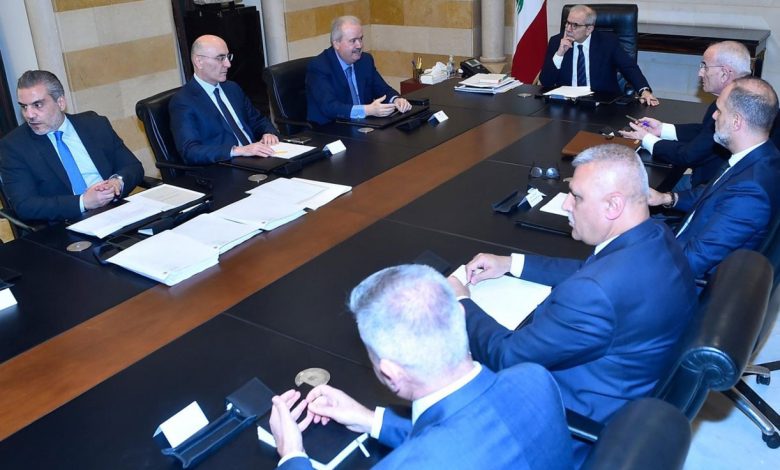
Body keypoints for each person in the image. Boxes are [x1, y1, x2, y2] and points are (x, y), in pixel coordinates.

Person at [449, 144, 696, 463]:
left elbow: (508, 356)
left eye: (576, 197)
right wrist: (511, 263)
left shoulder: (594, 293)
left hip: (578, 416)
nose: (567, 204)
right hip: (632, 386)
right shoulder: (654, 235)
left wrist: (461, 302)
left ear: (613, 205)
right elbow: (590, 269)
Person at [269, 264, 573, 469]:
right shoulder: (534, 378)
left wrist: (291, 453)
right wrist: (371, 420)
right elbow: (468, 436)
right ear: (460, 315)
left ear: (390, 374)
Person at [647, 76, 780, 279]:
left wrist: (639, 249)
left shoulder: (751, 193)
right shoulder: (763, 156)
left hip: (681, 275)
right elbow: (716, 192)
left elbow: (692, 261)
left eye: (720, 110)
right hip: (681, 242)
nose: (714, 116)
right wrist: (666, 198)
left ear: (736, 121)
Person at [620, 41, 777, 190]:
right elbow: (706, 131)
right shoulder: (745, 96)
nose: (700, 73)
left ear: (724, 73)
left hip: (708, 188)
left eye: (705, 67)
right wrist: (662, 129)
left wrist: (646, 139)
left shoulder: (734, 107)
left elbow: (689, 155)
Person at [0, 70, 143, 222]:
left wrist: (116, 183)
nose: (29, 115)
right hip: (65, 224)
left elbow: (133, 167)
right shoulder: (14, 146)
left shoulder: (94, 124)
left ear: (61, 102)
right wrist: (83, 202)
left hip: (117, 211)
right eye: (24, 107)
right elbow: (25, 206)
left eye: (37, 105)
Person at [169, 34, 279, 164]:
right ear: (199, 62)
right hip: (225, 165)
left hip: (257, 158)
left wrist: (268, 133)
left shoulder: (232, 88)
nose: (228, 64)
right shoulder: (183, 101)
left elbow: (258, 120)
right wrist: (237, 151)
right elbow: (190, 151)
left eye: (228, 57)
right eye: (220, 58)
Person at [539, 5, 659, 106]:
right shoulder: (557, 42)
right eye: (567, 23)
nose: (568, 29)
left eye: (575, 25)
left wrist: (644, 91)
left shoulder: (608, 42)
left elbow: (629, 67)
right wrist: (559, 54)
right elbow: (546, 82)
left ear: (589, 29)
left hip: (602, 104)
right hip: (568, 104)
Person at [306, 16, 412, 125]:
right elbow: (329, 107)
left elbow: (383, 89)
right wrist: (368, 110)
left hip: (363, 125)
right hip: (331, 128)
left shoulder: (365, 60)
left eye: (360, 39)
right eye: (353, 41)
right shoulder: (319, 66)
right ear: (336, 43)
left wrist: (396, 100)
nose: (359, 45)